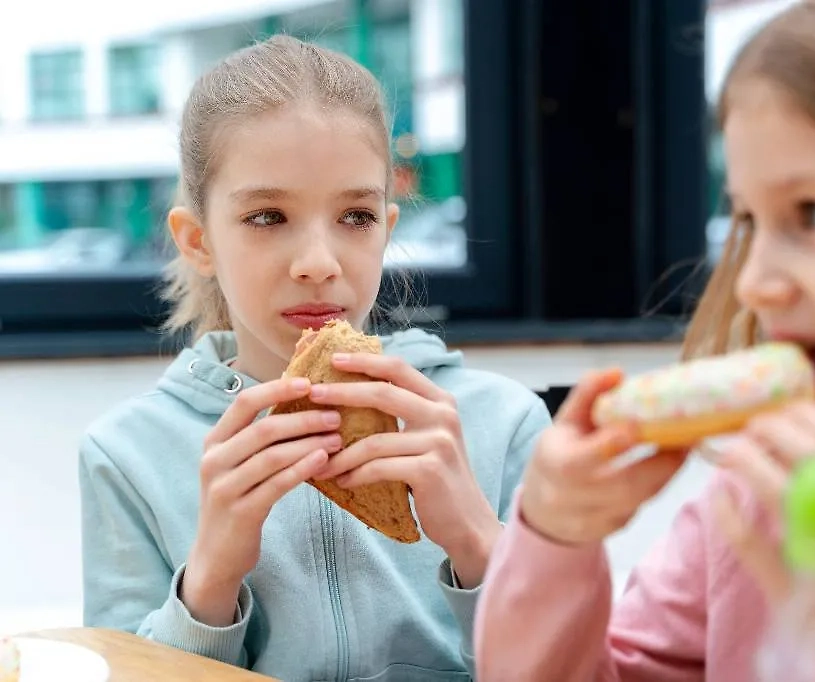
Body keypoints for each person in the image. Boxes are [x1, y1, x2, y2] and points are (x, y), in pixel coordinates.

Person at [474, 1, 815, 680]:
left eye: (814, 213)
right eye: (747, 219)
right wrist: (554, 540)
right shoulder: (752, 505)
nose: (757, 281)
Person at [79, 35, 550, 681]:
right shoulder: (126, 455)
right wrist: (210, 581)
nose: (319, 264)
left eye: (355, 217)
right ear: (198, 241)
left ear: (386, 229)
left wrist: (476, 543)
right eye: (268, 216)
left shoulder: (504, 422)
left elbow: (575, 666)